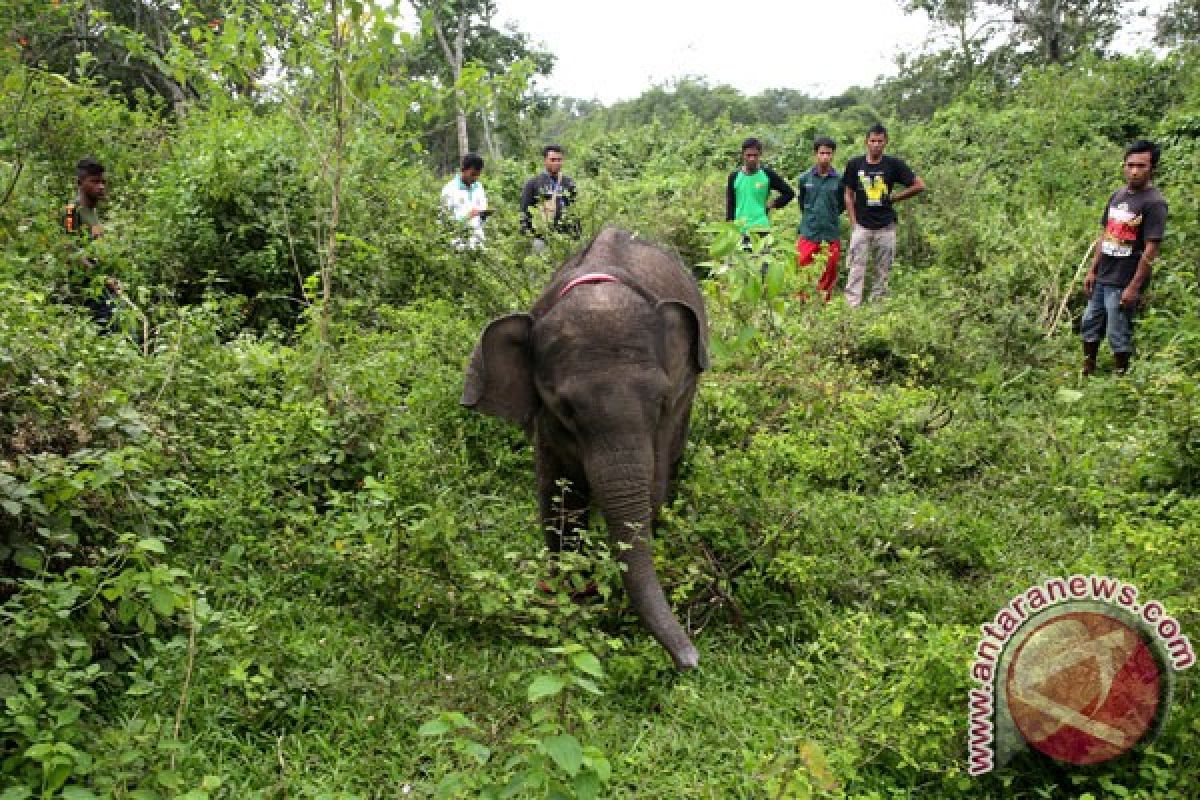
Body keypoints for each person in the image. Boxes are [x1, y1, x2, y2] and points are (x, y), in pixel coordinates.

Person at [1081, 140, 1167, 376]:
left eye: (1141, 166)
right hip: (1103, 275)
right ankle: (1088, 369)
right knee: (1089, 323)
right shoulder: (1117, 195)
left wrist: (1134, 287)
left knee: (1117, 331)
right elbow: (1105, 235)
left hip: (1124, 279)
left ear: (1152, 169)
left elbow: (1151, 249)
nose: (1134, 171)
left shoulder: (1154, 203)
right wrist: (1092, 270)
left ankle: (1122, 378)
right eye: (1130, 165)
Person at [841, 124, 925, 307]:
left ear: (885, 142)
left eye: (880, 141)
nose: (876, 145)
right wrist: (853, 222)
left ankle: (877, 309)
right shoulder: (855, 164)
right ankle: (851, 309)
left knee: (883, 270)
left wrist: (895, 198)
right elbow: (848, 194)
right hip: (862, 226)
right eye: (873, 141)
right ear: (866, 142)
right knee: (856, 269)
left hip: (886, 226)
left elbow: (919, 185)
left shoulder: (893, 164)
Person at [63, 157, 119, 329]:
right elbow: (71, 251)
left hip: (100, 287)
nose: (101, 186)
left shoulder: (92, 212)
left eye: (103, 182)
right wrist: (101, 278)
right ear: (80, 183)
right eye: (95, 182)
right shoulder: (71, 211)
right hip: (85, 290)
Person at [795, 136, 845, 302]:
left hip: (830, 233)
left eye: (828, 153)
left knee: (829, 272)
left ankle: (822, 305)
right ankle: (802, 304)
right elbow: (803, 203)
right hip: (809, 232)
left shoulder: (839, 180)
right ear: (815, 154)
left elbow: (842, 205)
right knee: (803, 268)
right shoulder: (804, 179)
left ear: (833, 155)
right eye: (822, 153)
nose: (825, 157)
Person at [725, 137, 794, 244]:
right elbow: (730, 203)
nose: (752, 159)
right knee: (740, 260)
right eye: (748, 155)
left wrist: (773, 204)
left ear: (760, 155)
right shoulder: (734, 176)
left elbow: (789, 193)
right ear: (743, 155)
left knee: (761, 259)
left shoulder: (767, 174)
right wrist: (729, 227)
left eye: (755, 155)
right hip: (739, 230)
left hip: (761, 229)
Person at [521, 144, 579, 249]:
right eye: (552, 159)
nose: (556, 163)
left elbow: (574, 210)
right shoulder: (533, 183)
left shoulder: (568, 183)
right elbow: (525, 210)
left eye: (559, 160)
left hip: (564, 236)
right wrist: (528, 235)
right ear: (545, 161)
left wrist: (576, 233)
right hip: (540, 237)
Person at [440, 153, 489, 249]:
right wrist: (466, 218)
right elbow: (444, 222)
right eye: (473, 174)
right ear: (463, 169)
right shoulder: (449, 189)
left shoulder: (479, 187)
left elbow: (482, 212)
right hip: (458, 244)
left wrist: (484, 215)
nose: (475, 178)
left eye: (478, 175)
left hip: (478, 243)